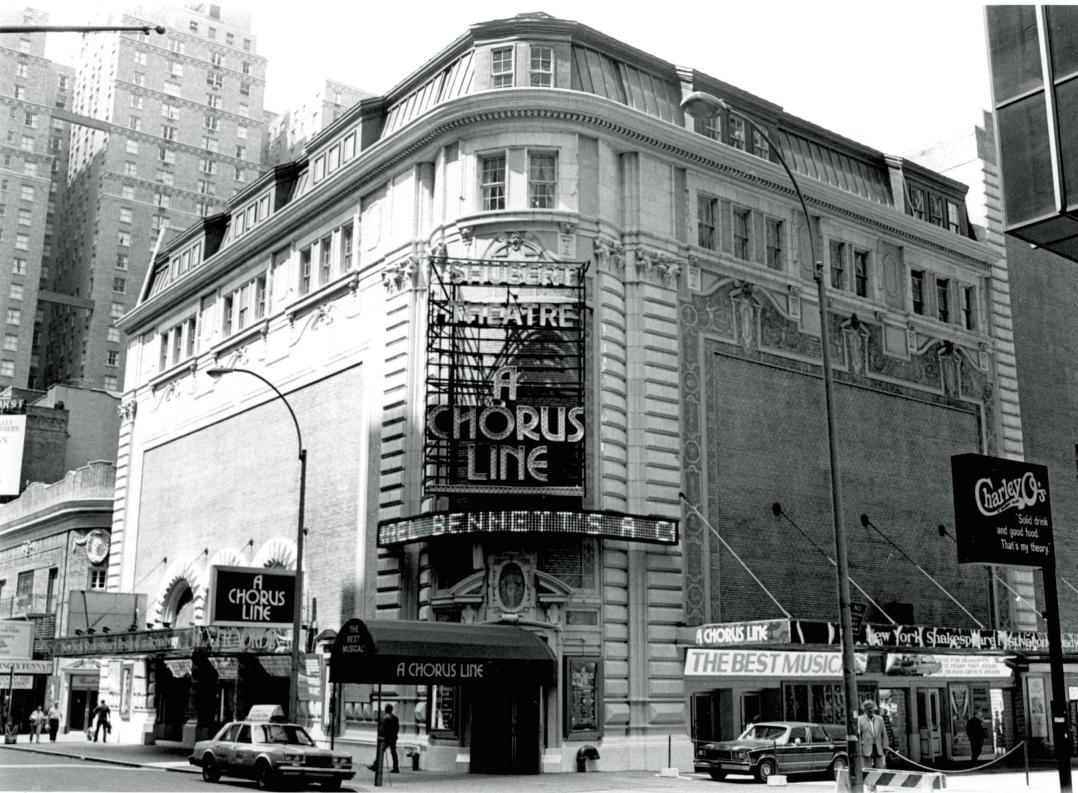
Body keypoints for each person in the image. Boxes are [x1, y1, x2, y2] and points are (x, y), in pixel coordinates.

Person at [857, 699, 888, 790]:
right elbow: (858, 736)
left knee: (880, 769)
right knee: (868, 770)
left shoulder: (880, 719)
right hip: (866, 749)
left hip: (878, 748)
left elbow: (884, 734)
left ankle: (877, 787)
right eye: (868, 708)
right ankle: (871, 789)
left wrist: (885, 747)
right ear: (864, 710)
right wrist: (859, 749)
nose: (870, 710)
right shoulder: (860, 720)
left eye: (872, 708)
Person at [368, 704, 400, 773]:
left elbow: (382, 728)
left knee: (381, 751)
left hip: (386, 737)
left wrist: (380, 736)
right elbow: (397, 728)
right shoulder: (395, 718)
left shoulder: (385, 718)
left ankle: (375, 765)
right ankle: (396, 767)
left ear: (386, 709)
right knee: (393, 752)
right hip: (393, 737)